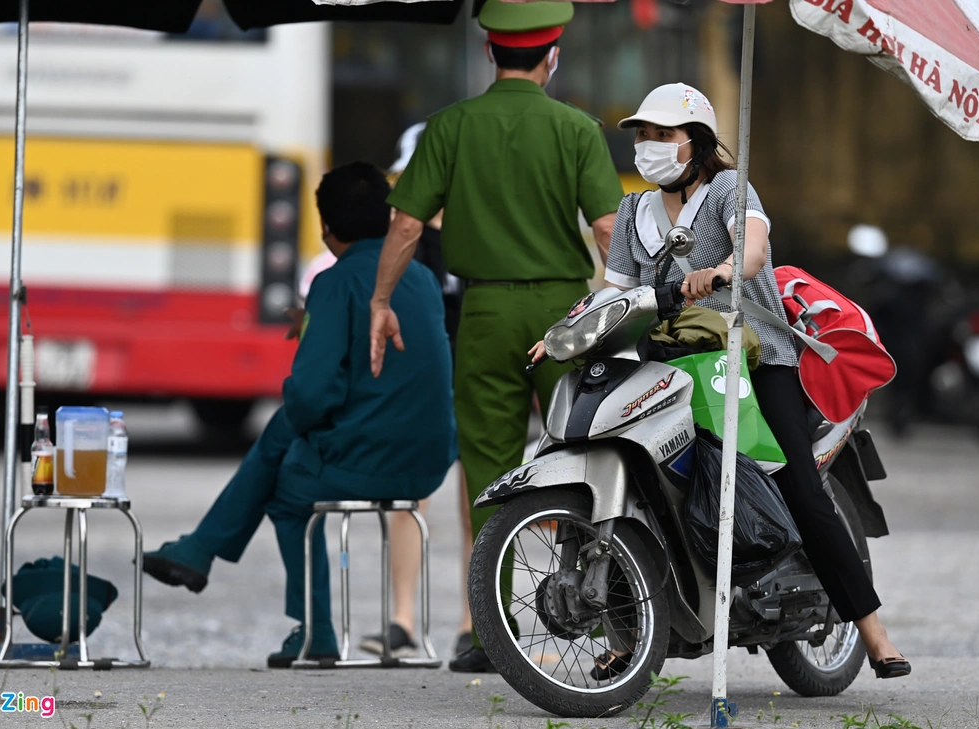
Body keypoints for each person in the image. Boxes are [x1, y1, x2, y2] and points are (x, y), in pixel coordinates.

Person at [533, 83, 909, 680]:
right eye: (642, 136)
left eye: (662, 135)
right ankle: (633, 631)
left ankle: (872, 629)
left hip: (756, 357)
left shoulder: (730, 190)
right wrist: (570, 326)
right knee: (637, 476)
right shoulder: (634, 211)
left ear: (695, 142)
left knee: (801, 488)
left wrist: (728, 269)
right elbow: (616, 289)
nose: (648, 146)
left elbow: (755, 248)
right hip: (670, 359)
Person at [368, 0, 624, 673]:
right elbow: (606, 229)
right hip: (564, 315)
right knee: (601, 450)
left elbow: (405, 226)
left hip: (483, 312)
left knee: (488, 470)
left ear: (490, 53)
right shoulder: (575, 128)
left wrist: (380, 300)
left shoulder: (450, 126)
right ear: (553, 55)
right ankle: (620, 620)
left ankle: (490, 632)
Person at [142, 162, 457, 668]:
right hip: (431, 460)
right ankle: (198, 548)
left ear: (325, 228)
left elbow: (312, 395)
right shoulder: (420, 277)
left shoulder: (336, 283)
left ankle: (314, 629)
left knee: (287, 482)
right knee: (283, 434)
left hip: (370, 460)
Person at [357, 123, 474, 659]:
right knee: (407, 494)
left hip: (478, 372)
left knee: (480, 496)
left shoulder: (481, 228)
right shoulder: (400, 237)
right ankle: (403, 618)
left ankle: (477, 620)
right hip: (424, 378)